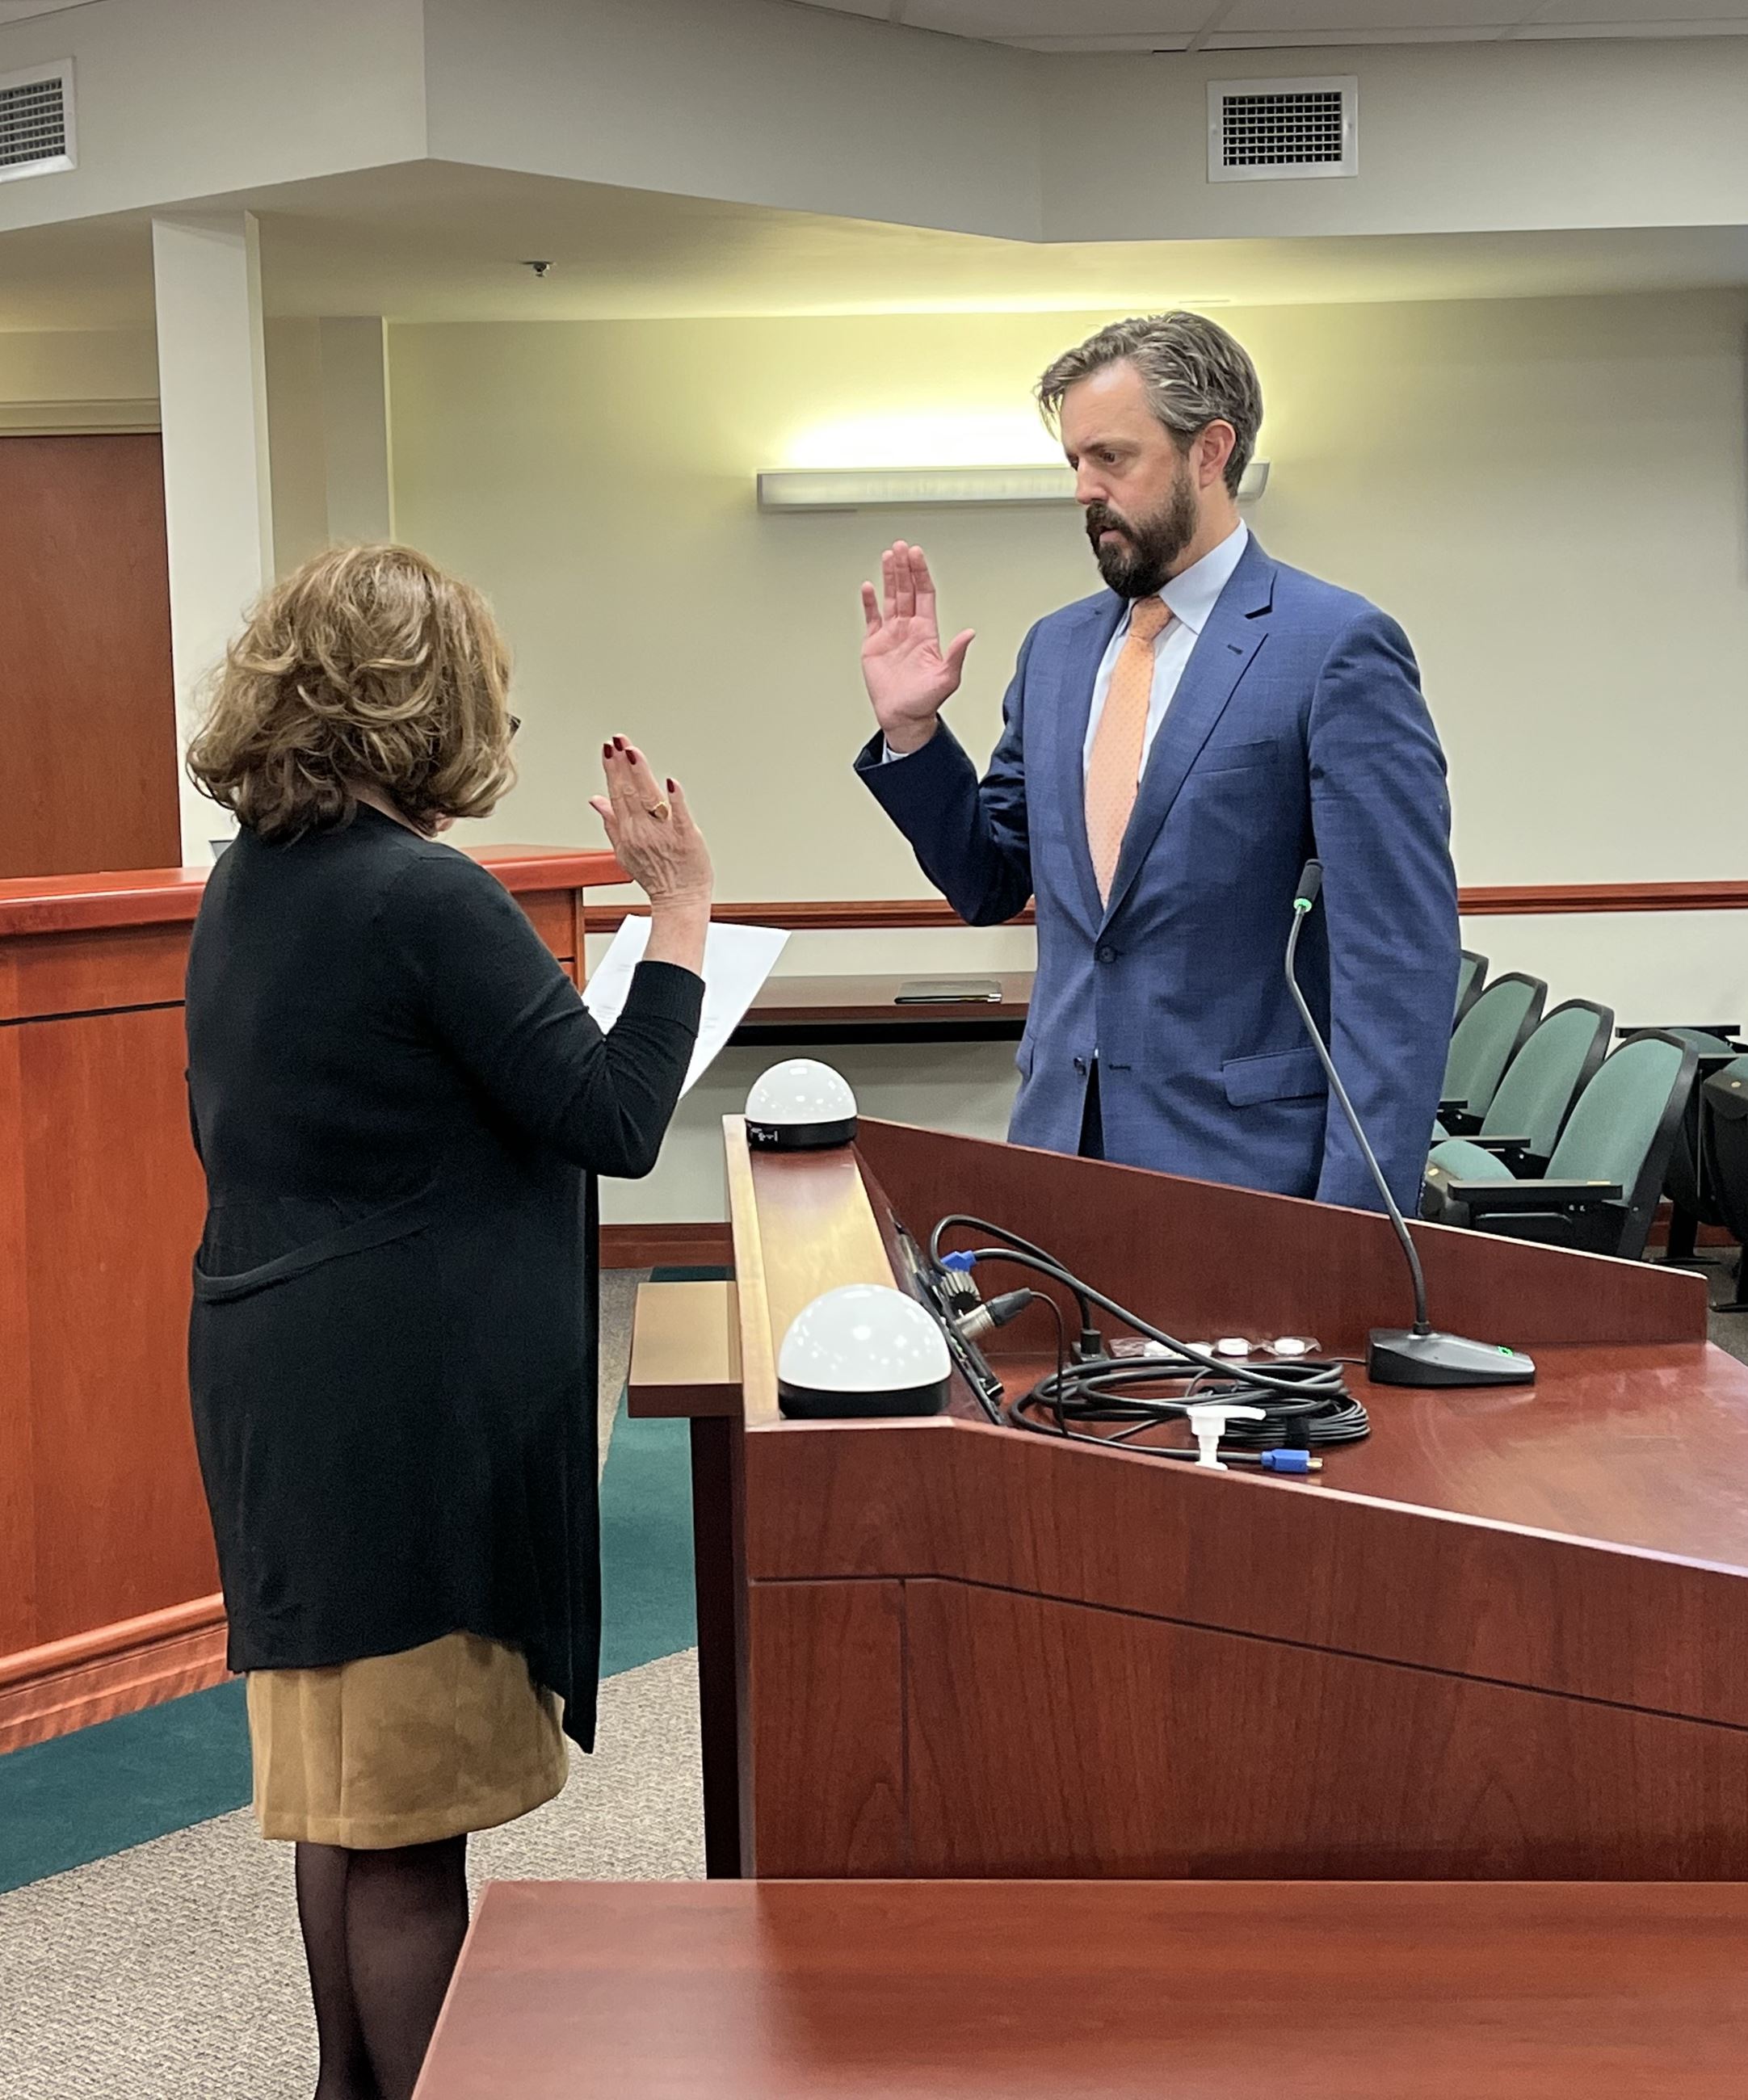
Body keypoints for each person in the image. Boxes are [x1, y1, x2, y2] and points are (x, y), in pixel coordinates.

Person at [183, 544, 713, 2100]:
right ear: (440, 705)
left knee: (350, 1804)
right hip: (400, 1412)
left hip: (285, 1385)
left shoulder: (255, 881)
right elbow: (614, 1117)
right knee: (407, 1827)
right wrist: (674, 910)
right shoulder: (426, 895)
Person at [855, 312, 1458, 1212]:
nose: (1083, 489)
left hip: (1250, 1174)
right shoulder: (1055, 652)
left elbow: (1396, 965)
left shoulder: (1334, 648)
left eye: (1112, 458)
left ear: (1208, 452)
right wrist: (913, 734)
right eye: (1073, 462)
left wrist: (1358, 1229)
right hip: (1062, 1152)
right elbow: (989, 879)